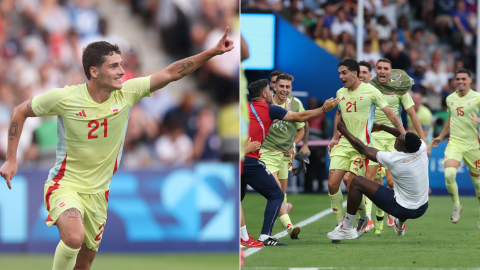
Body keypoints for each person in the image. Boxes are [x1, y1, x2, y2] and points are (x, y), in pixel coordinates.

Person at [0, 28, 234, 270]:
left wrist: (212, 52)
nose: (122, 71)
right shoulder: (65, 98)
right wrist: (11, 159)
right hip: (65, 185)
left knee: (84, 264)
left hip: (99, 194)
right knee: (73, 237)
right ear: (94, 71)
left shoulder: (127, 93)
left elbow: (171, 72)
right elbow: (19, 111)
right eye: (113, 66)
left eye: (121, 64)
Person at [242, 79, 339, 246]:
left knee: (237, 199)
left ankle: (242, 237)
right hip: (250, 160)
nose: (272, 94)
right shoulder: (270, 109)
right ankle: (265, 236)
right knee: (277, 195)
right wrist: (324, 109)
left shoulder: (245, 109)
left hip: (240, 159)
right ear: (265, 94)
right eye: (270, 90)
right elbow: (301, 116)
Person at [327, 58, 406, 232]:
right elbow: (338, 115)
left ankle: (358, 219)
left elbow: (391, 114)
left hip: (362, 148)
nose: (341, 76)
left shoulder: (371, 91)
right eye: (339, 73)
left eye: (344, 72)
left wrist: (403, 134)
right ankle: (342, 222)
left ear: (354, 73)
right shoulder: (340, 92)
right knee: (332, 184)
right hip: (342, 145)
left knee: (351, 184)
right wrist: (334, 137)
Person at [327, 118, 428, 240]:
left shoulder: (394, 159)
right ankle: (400, 223)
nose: (395, 140)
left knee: (356, 181)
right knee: (404, 193)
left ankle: (346, 228)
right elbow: (402, 135)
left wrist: (344, 131)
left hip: (402, 208)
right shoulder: (421, 146)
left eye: (398, 142)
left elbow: (363, 149)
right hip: (422, 206)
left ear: (405, 150)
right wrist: (381, 127)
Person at [366, 58, 430, 232]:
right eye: (379, 68)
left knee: (391, 182)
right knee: (369, 176)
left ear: (390, 71)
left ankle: (395, 213)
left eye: (385, 68)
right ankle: (367, 220)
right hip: (373, 137)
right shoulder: (369, 88)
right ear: (375, 70)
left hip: (395, 140)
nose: (382, 71)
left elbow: (413, 116)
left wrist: (424, 141)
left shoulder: (400, 89)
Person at [259, 73, 309, 234]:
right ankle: (289, 226)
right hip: (266, 153)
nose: (284, 90)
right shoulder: (265, 102)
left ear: (291, 89)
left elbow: (301, 128)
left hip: (285, 156)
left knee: (281, 194)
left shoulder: (296, 104)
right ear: (274, 86)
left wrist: (294, 144)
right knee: (276, 191)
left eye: (288, 87)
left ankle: (284, 208)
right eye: (281, 86)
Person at [432, 68, 480, 227]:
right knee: (449, 174)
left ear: (470, 80)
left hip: (473, 145)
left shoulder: (477, 97)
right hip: (455, 143)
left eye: (463, 79)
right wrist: (440, 136)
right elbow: (451, 118)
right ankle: (457, 205)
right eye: (458, 79)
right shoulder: (450, 98)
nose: (460, 81)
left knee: (478, 184)